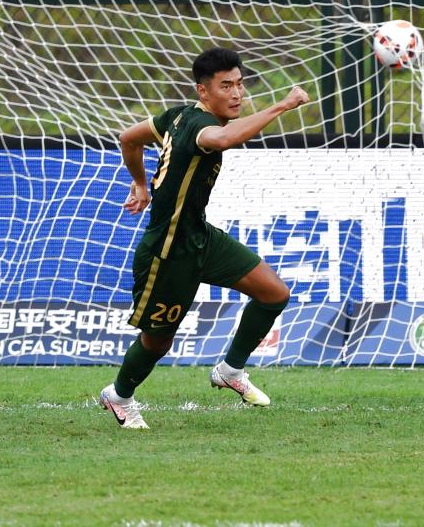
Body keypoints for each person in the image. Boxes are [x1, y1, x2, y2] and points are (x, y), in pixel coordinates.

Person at [100, 47, 310, 429]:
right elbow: (225, 138)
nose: (236, 94)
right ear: (203, 91)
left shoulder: (174, 115)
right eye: (225, 85)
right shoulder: (198, 127)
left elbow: (129, 138)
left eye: (240, 84)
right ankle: (119, 396)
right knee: (157, 342)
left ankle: (230, 369)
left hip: (200, 234)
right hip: (168, 249)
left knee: (273, 293)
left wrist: (140, 183)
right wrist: (283, 105)